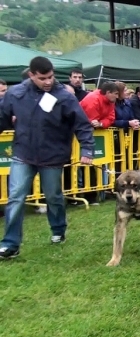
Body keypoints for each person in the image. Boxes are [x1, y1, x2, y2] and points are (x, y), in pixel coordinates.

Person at [0, 56, 94, 259]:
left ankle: (58, 230)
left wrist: (87, 150)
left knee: (53, 197)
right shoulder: (16, 94)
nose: (48, 81)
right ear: (31, 74)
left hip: (53, 155)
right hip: (23, 153)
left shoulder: (64, 96)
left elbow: (82, 124)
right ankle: (10, 244)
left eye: (50, 76)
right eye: (43, 78)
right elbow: (2, 118)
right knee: (16, 197)